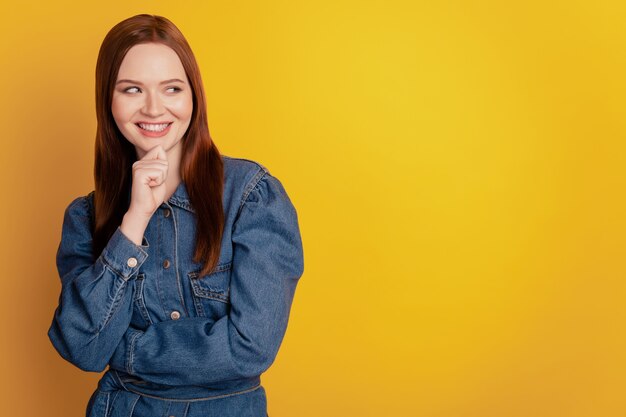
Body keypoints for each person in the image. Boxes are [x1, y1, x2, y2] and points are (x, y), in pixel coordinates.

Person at [48, 14, 304, 417]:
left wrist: (127, 351)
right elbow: (83, 347)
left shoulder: (251, 196)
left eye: (171, 88)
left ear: (193, 97)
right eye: (132, 89)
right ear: (108, 100)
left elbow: (251, 349)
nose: (154, 108)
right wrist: (134, 220)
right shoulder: (85, 217)